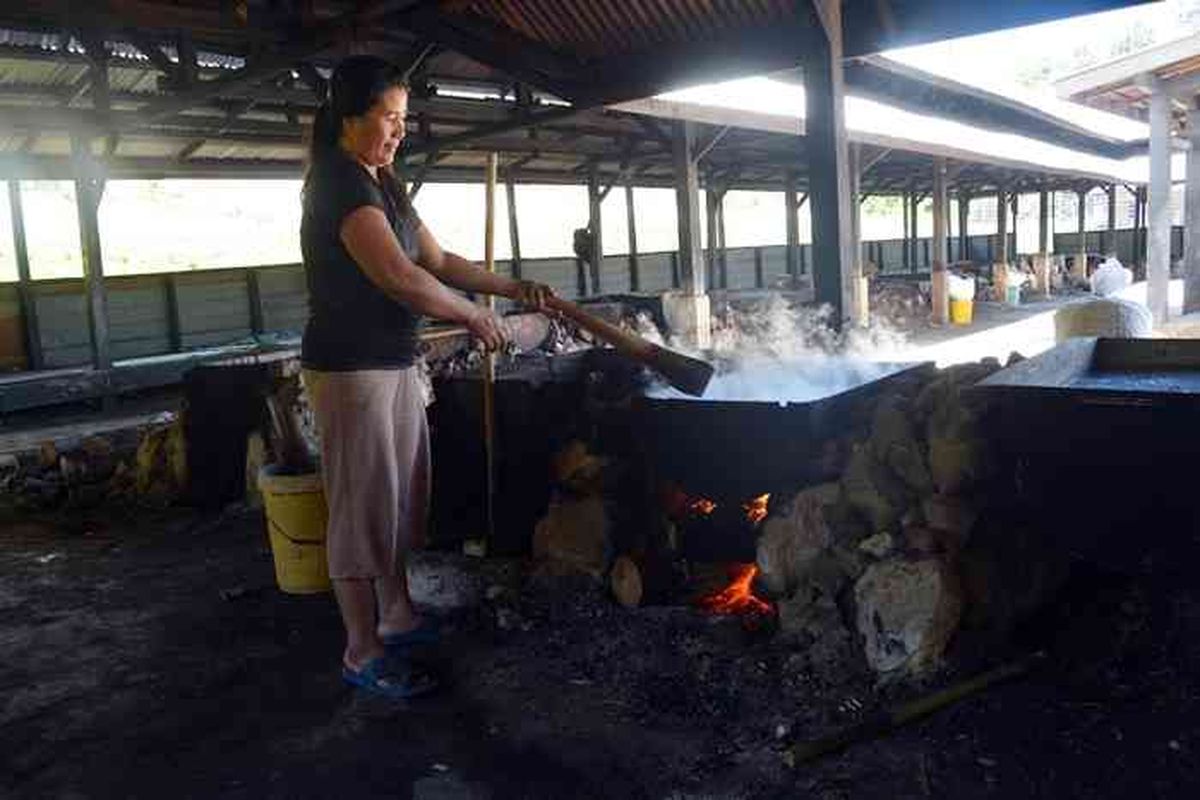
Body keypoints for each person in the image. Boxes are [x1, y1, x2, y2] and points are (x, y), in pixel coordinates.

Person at [300, 55, 553, 698]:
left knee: (397, 497)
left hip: (392, 362)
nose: (398, 131)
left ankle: (398, 613)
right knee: (361, 508)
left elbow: (436, 259)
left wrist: (510, 286)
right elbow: (400, 277)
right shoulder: (337, 184)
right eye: (389, 118)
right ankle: (361, 650)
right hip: (352, 368)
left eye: (403, 119)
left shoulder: (384, 181)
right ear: (349, 119)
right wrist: (474, 317)